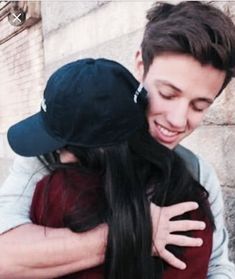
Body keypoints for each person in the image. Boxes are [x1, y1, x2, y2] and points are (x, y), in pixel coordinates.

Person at [0, 1, 235, 278]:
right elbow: (5, 256)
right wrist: (133, 231)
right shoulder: (54, 152)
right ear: (140, 64)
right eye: (168, 94)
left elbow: (218, 267)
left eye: (199, 106)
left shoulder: (196, 173)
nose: (178, 119)